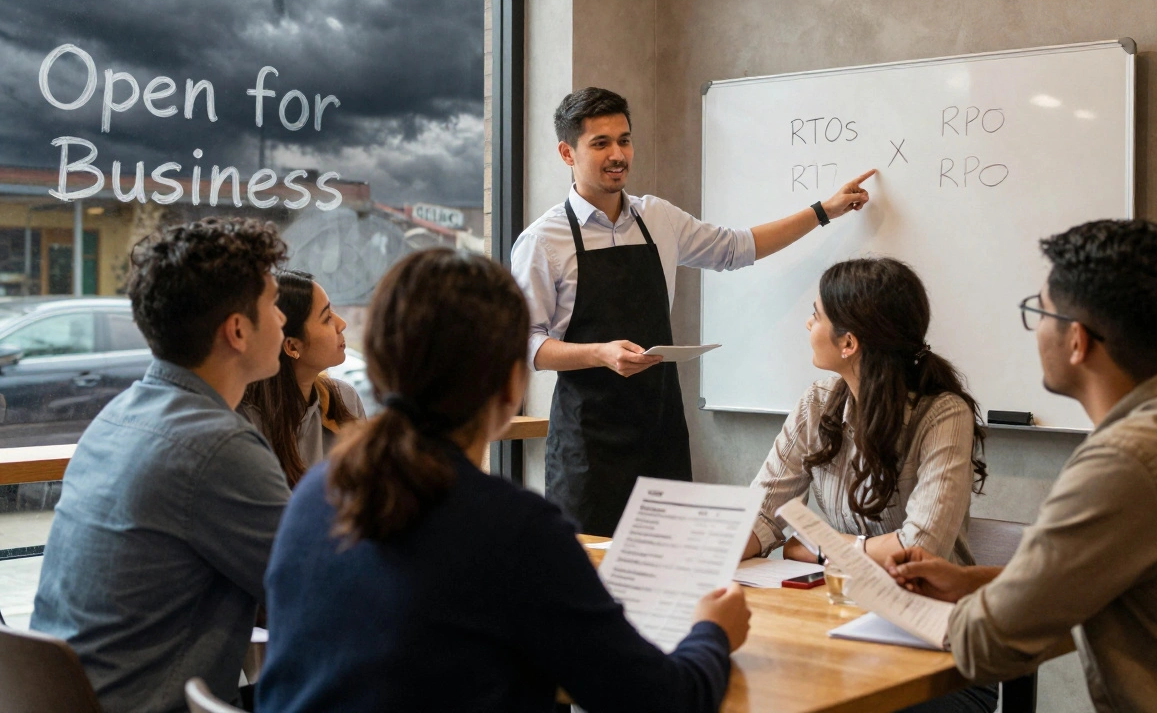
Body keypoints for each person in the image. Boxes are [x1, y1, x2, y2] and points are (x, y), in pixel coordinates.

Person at [255, 249, 751, 713]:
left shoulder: (316, 496)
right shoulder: (516, 529)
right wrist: (712, 632)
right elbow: (661, 701)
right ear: (513, 381)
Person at [885, 219, 1157, 712]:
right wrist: (971, 581)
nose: (1036, 331)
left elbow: (988, 645)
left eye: (1040, 312)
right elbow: (1099, 580)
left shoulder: (1124, 462)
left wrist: (896, 606)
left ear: (1077, 341)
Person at [512, 86, 877, 536]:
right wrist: (600, 354)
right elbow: (526, 343)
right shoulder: (542, 241)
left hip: (660, 431)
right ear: (568, 152)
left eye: (624, 140)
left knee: (666, 569)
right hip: (587, 446)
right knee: (592, 579)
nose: (617, 154)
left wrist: (826, 210)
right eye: (600, 143)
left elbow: (738, 247)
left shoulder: (658, 218)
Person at [31, 217, 291, 713]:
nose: (282, 320)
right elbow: (322, 591)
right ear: (237, 330)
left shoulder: (118, 416)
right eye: (274, 303)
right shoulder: (218, 446)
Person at [741, 257, 997, 713]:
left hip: (938, 656)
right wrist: (709, 547)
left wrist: (822, 548)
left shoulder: (943, 414)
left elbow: (922, 548)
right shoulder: (816, 403)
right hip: (841, 631)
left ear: (849, 342)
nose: (807, 323)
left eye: (816, 315)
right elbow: (761, 514)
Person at [241, 270, 365, 487]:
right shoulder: (246, 424)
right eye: (327, 318)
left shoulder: (345, 400)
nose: (342, 324)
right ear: (291, 346)